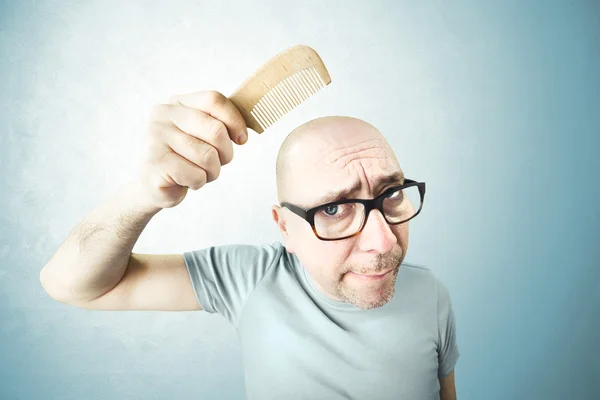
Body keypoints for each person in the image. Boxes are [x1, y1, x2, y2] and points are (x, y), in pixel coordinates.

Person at [40, 90, 459, 400]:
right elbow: (72, 284)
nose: (384, 241)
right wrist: (144, 195)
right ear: (285, 228)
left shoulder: (432, 294)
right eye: (334, 210)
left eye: (391, 193)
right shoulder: (250, 279)